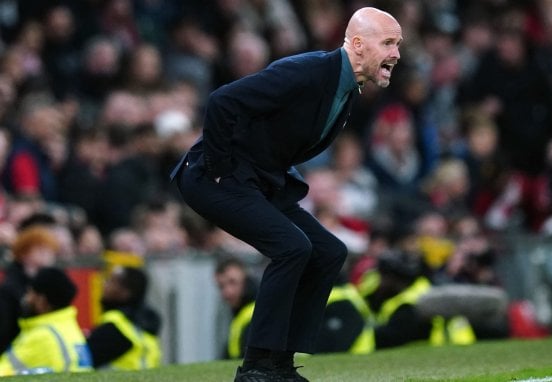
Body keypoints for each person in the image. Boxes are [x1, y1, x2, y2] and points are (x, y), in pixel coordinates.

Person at [170, 7, 402, 382]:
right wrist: (218, 169)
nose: (396, 54)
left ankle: (279, 365)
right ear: (358, 45)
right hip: (213, 178)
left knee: (329, 251)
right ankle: (257, 367)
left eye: (398, 45)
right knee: (292, 247)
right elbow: (222, 101)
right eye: (389, 43)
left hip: (258, 181)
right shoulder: (310, 71)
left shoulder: (345, 89)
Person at [0, 267, 93, 376]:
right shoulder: (68, 329)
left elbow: (3, 373)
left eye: (30, 293)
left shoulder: (42, 336)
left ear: (42, 301)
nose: (26, 298)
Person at [87, 266, 162, 370]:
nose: (104, 285)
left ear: (125, 292)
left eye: (111, 281)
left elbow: (84, 360)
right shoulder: (144, 323)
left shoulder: (115, 326)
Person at [0, 225, 59, 353]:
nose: (47, 256)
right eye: (41, 250)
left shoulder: (46, 282)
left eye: (50, 251)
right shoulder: (10, 288)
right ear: (23, 253)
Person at [214, 257, 258, 359]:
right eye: (221, 286)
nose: (228, 292)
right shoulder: (240, 314)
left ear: (246, 279)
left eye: (232, 282)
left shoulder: (259, 313)